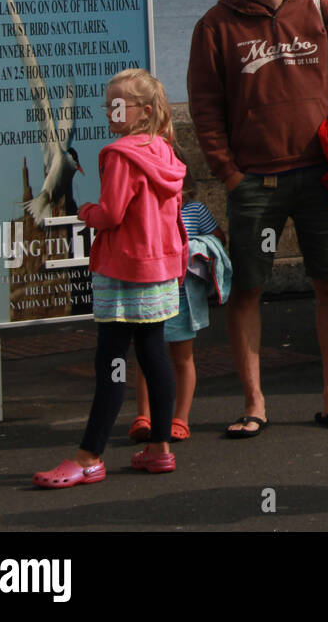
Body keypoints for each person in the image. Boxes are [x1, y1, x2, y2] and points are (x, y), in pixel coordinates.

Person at [187, 0, 328, 437]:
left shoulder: (321, 12)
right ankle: (254, 404)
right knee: (246, 290)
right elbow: (204, 110)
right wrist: (228, 174)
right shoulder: (216, 25)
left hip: (322, 179)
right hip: (254, 185)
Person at [32, 69, 188, 487]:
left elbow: (113, 214)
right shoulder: (165, 151)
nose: (111, 111)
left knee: (111, 362)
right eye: (108, 104)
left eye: (118, 104)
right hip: (159, 270)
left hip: (122, 271)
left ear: (144, 111)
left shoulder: (119, 155)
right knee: (155, 355)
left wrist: (86, 213)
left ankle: (89, 456)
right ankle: (159, 450)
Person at [128, 158, 231, 443]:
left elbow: (218, 239)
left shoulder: (195, 210)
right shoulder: (146, 208)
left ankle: (180, 418)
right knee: (147, 356)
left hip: (182, 295)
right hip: (150, 292)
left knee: (182, 357)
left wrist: (195, 247)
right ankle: (144, 416)